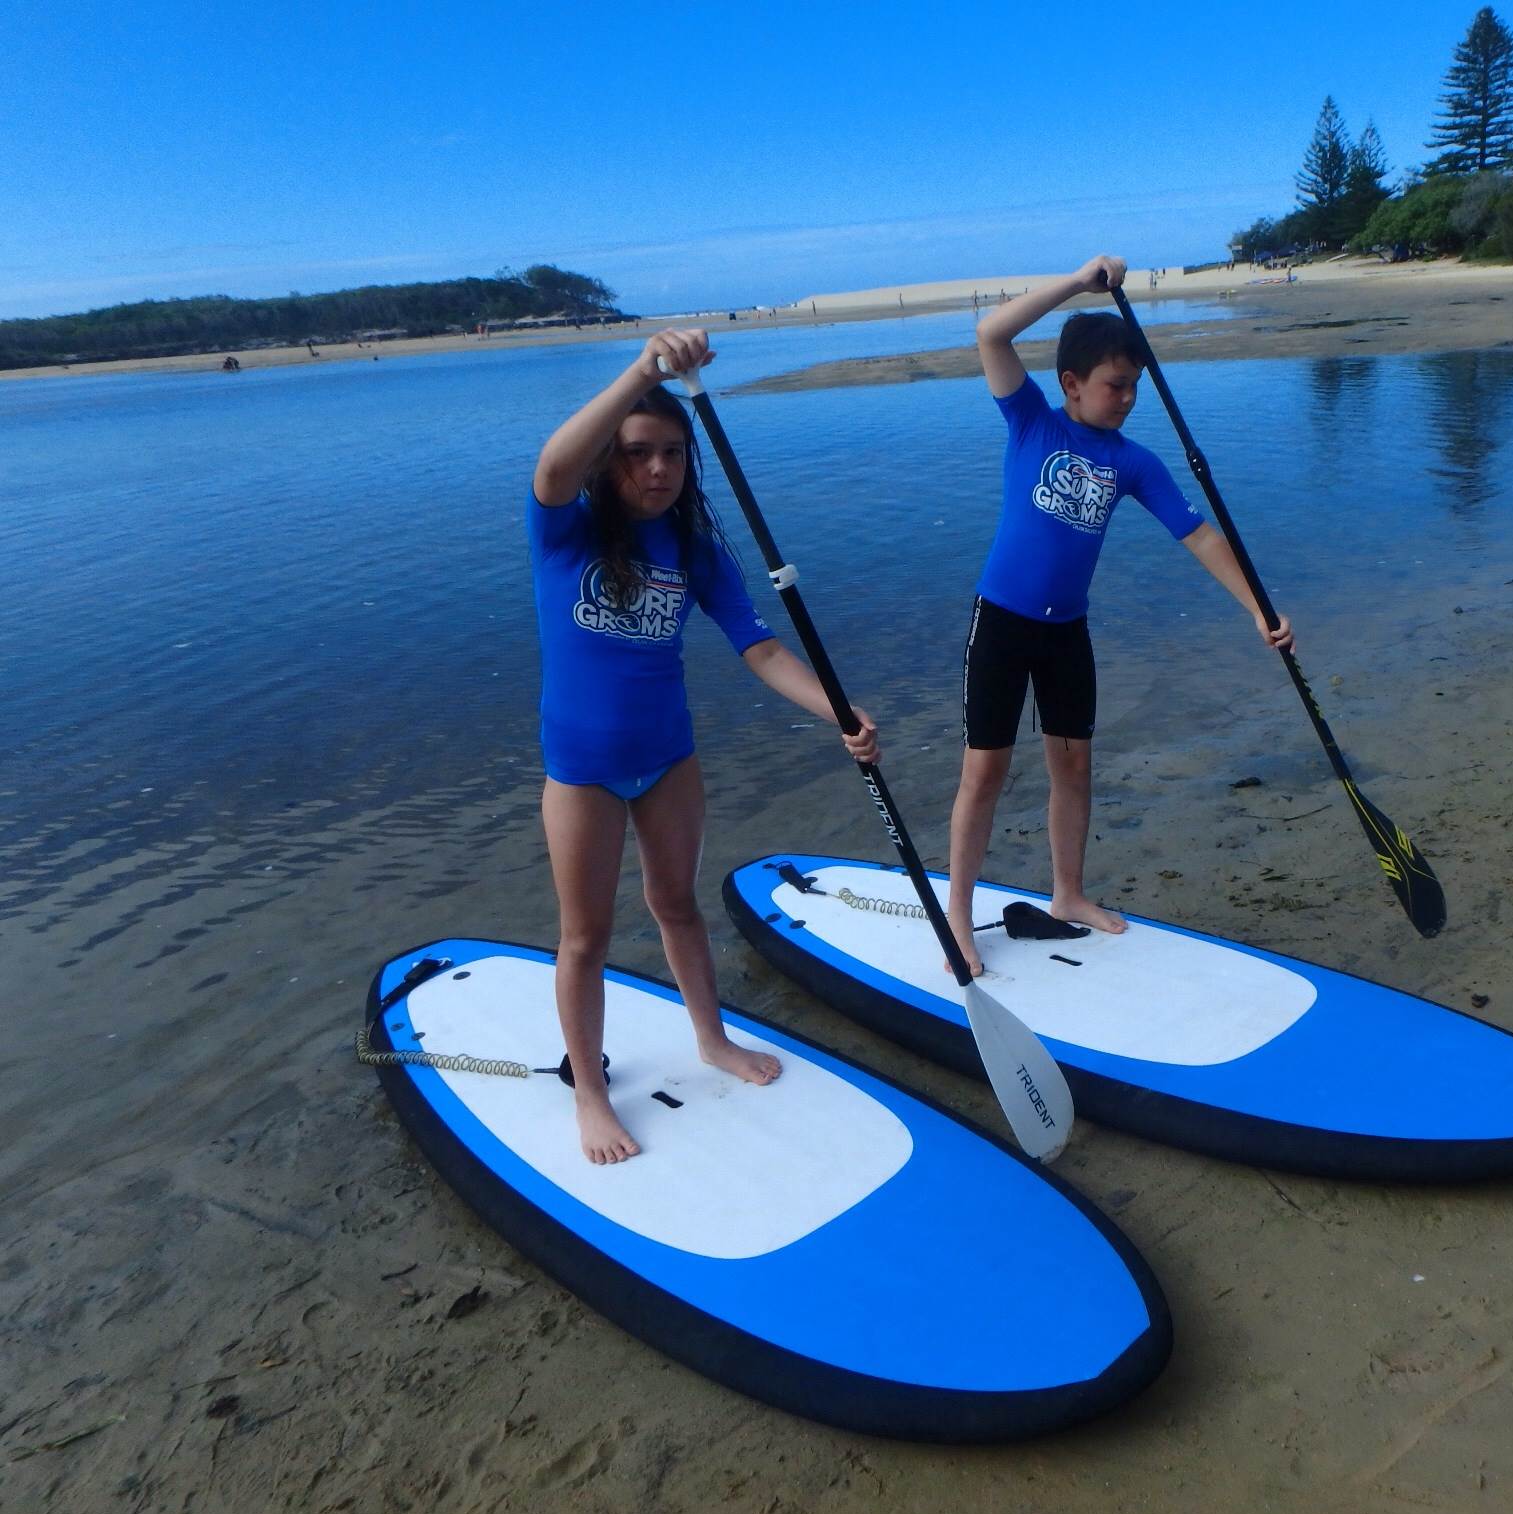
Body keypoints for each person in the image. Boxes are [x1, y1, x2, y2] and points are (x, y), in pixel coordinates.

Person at [528, 328, 879, 1163]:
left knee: (677, 905)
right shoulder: (566, 531)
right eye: (638, 453)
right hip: (581, 773)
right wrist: (642, 372)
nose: (658, 469)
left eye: (673, 455)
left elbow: (760, 649)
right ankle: (590, 1093)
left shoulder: (695, 551)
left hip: (667, 760)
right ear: (610, 461)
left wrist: (836, 710)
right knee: (586, 937)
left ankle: (712, 1039)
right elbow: (552, 465)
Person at [945, 254, 1292, 975]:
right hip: (1002, 621)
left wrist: (1259, 608)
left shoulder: (1134, 462)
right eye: (1114, 385)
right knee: (986, 770)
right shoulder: (1030, 422)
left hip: (1066, 631)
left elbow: (1199, 536)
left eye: (1135, 385)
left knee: (1074, 765)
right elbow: (990, 334)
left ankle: (1068, 894)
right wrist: (1078, 283)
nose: (1127, 399)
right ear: (1071, 383)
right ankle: (956, 916)